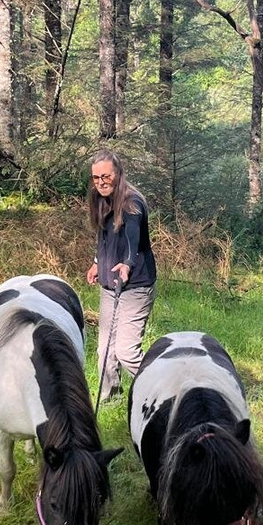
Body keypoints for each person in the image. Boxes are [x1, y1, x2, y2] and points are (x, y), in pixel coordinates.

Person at [85, 149, 157, 401]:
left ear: (118, 174)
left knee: (126, 352)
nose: (101, 182)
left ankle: (162, 388)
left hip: (135, 286)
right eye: (96, 177)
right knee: (105, 351)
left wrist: (127, 263)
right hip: (109, 284)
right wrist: (97, 262)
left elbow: (132, 239)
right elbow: (104, 235)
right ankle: (111, 395)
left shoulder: (131, 203)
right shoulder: (99, 197)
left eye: (106, 176)